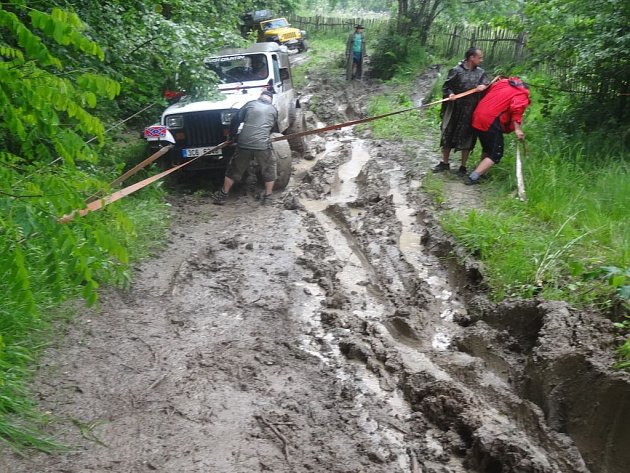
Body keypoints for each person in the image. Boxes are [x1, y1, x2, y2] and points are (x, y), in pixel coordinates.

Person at [211, 89, 279, 205]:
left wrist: (231, 137)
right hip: (262, 145)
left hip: (244, 143)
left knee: (234, 169)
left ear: (260, 97)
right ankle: (268, 198)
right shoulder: (273, 110)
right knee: (269, 168)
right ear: (270, 100)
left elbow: (235, 119)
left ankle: (222, 195)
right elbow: (272, 128)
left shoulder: (250, 104)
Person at [433, 47, 490, 176]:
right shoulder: (456, 71)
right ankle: (445, 163)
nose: (481, 60)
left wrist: (483, 87)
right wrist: (451, 94)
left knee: (468, 137)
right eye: (479, 57)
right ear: (471, 57)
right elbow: (446, 87)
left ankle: (463, 167)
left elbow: (487, 86)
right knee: (448, 133)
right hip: (454, 109)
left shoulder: (481, 73)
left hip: (471, 111)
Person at [464, 77, 531, 185]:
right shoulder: (521, 93)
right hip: (491, 120)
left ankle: (482, 173)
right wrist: (518, 129)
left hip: (478, 115)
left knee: (487, 147)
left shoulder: (503, 83)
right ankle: (473, 177)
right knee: (496, 153)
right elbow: (517, 109)